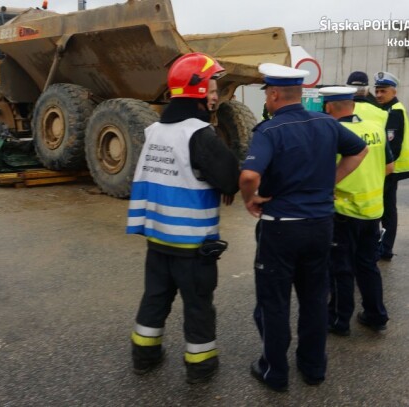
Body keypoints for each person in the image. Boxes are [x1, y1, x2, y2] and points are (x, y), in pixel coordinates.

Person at [239, 63, 368, 392]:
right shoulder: (326, 122)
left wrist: (250, 199)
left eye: (267, 95)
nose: (266, 101)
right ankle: (313, 369)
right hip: (320, 226)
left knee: (275, 301)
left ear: (274, 93)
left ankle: (275, 372)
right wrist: (330, 182)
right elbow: (359, 150)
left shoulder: (269, 130)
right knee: (313, 299)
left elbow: (249, 176)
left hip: (281, 228)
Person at [126, 52, 240, 384]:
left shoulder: (154, 131)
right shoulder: (198, 133)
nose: (216, 94)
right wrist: (225, 182)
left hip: (158, 238)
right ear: (198, 89)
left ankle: (144, 356)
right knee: (198, 305)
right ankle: (201, 366)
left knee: (155, 298)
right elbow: (230, 179)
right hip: (192, 245)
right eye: (213, 87)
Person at [319, 86, 392, 336]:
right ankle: (376, 315)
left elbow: (323, 172)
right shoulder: (374, 129)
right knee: (367, 265)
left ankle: (339, 320)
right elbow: (389, 167)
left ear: (328, 107)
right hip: (372, 211)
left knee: (341, 268)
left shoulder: (334, 132)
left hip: (344, 211)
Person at [374, 71, 409, 261]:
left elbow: (393, 144)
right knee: (386, 208)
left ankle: (385, 248)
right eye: (377, 91)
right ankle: (383, 244)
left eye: (383, 91)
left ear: (393, 92)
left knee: (387, 209)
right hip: (388, 168)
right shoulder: (386, 109)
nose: (379, 95)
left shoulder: (394, 110)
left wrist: (385, 167)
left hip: (391, 169)